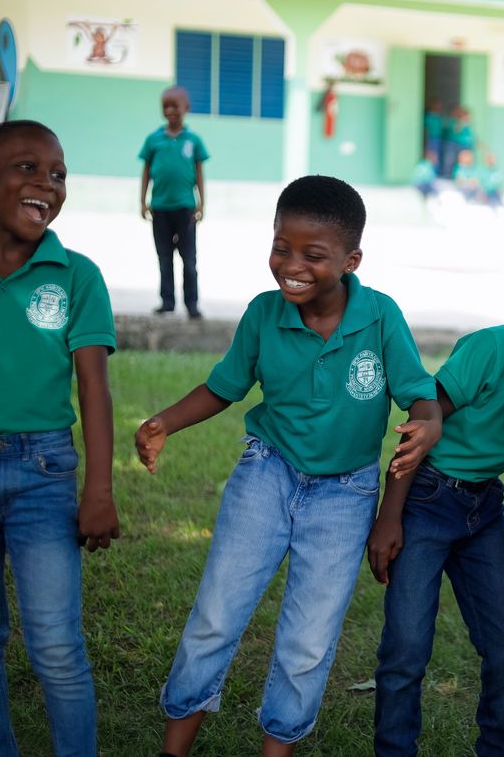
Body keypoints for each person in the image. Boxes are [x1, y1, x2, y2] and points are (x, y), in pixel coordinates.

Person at [135, 175, 441, 757]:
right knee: (215, 617)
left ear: (351, 259)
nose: (291, 264)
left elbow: (418, 395)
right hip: (266, 474)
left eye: (313, 254)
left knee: (307, 642)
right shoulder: (263, 313)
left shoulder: (379, 317)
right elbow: (223, 388)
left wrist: (428, 422)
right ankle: (173, 748)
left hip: (345, 496)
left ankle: (278, 749)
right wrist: (164, 422)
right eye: (281, 246)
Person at [0, 120, 121, 756]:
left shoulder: (76, 276)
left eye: (58, 174)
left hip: (43, 473)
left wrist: (98, 488)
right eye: (27, 169)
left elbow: (93, 390)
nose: (46, 184)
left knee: (56, 641)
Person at [370, 283, 504, 757]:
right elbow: (420, 428)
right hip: (425, 498)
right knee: (405, 650)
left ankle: (497, 749)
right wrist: (390, 517)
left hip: (483, 509)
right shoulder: (496, 347)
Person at [139, 85, 209, 319]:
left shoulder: (193, 140)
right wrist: (143, 201)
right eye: (165, 106)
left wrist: (201, 203)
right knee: (164, 257)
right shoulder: (153, 140)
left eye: (174, 106)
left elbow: (199, 173)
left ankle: (192, 304)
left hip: (185, 208)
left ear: (186, 108)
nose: (170, 111)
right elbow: (146, 171)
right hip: (159, 208)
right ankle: (167, 301)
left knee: (189, 259)